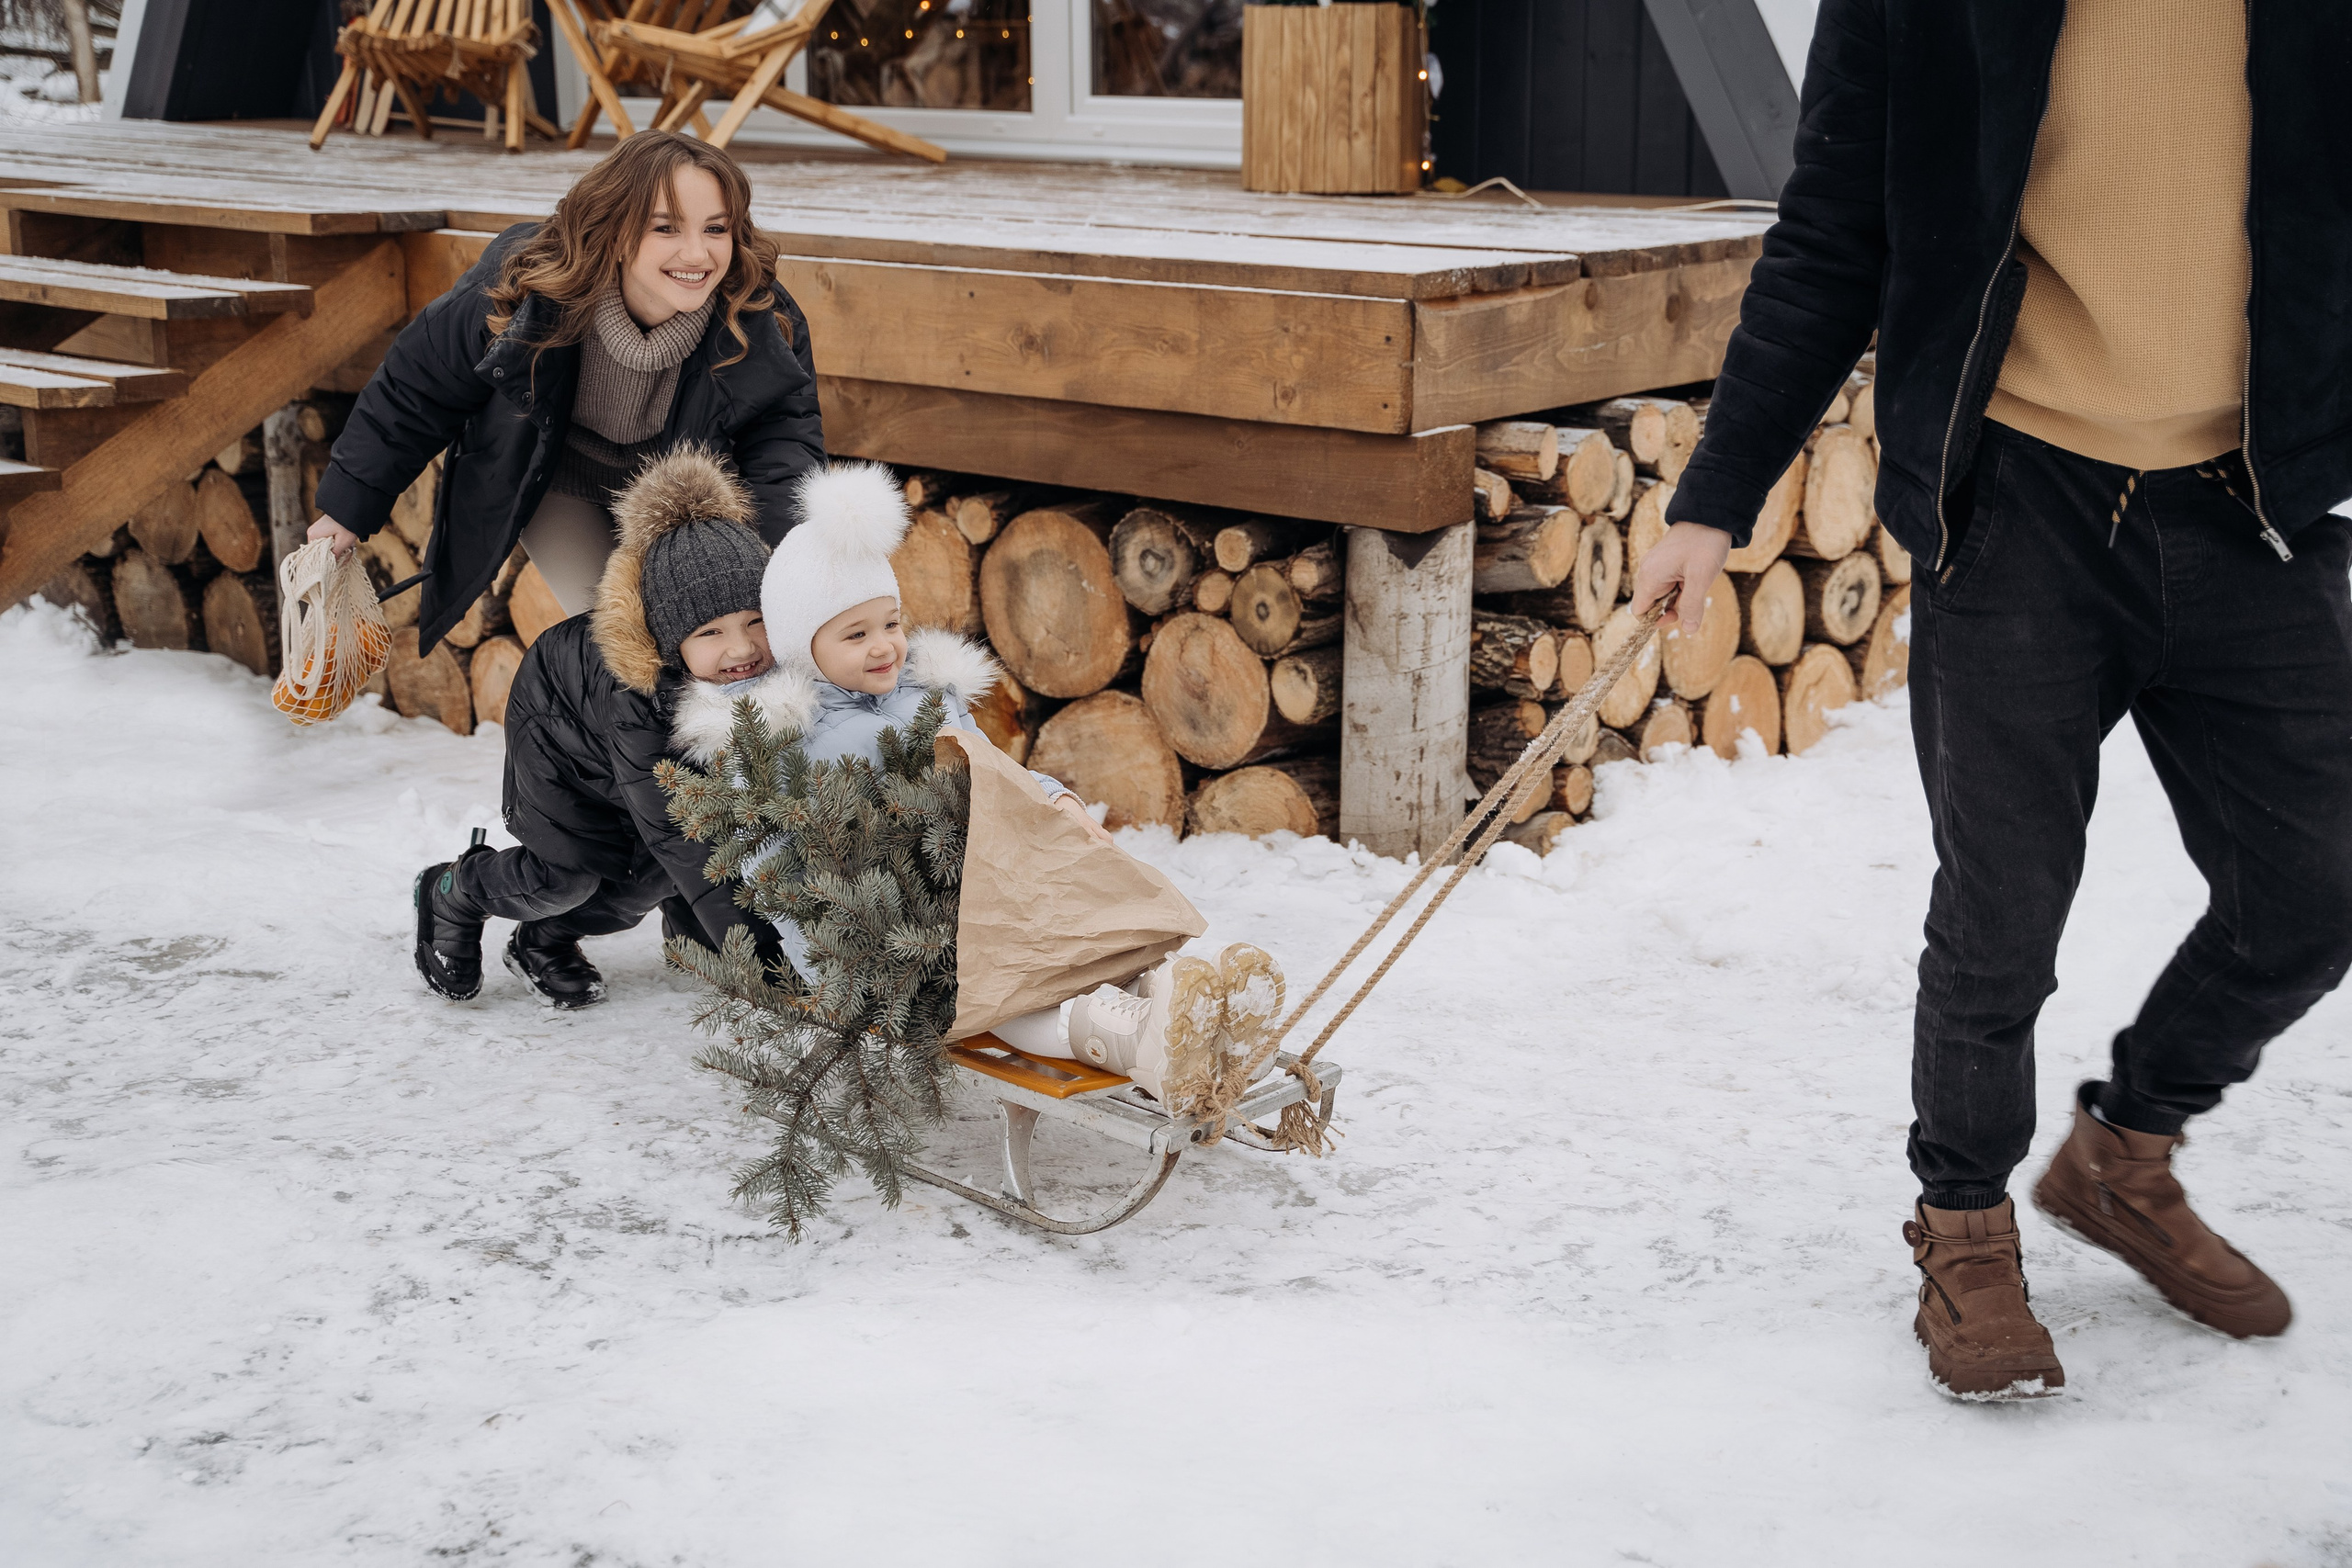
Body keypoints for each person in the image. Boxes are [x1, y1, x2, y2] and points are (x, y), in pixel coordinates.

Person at [1631, 0, 2352, 1399]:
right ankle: (1962, 1226)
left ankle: (2123, 1157)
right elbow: (1831, 232)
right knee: (2000, 914)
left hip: (2249, 508)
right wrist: (1713, 500)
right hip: (2021, 503)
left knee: (2312, 896)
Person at [674, 459, 1285, 1107]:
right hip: (893, 945)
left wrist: (1057, 798)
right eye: (856, 634)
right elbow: (778, 873)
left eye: (891, 623)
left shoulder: (926, 693)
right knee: (1006, 987)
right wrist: (839, 959)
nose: (883, 646)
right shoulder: (786, 742)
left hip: (990, 890)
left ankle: (1185, 1009)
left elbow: (996, 774)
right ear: (804, 647)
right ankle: (1130, 1038)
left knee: (1074, 930)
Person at [307, 130, 822, 648]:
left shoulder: (758, 316)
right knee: (623, 644)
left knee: (713, 642)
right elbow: (416, 389)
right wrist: (348, 507)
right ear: (615, 231)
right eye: (665, 228)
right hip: (561, 483)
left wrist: (790, 568)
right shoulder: (524, 286)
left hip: (680, 500)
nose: (696, 253)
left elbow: (782, 446)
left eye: (716, 228)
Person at [413, 446, 784, 1009]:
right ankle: (457, 889)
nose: (742, 649)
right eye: (710, 632)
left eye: (756, 621)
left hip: (637, 766)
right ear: (670, 640)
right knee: (570, 876)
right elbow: (678, 833)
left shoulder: (771, 673)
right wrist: (769, 964)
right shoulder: (638, 694)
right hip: (561, 738)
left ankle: (543, 940)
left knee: (650, 876)